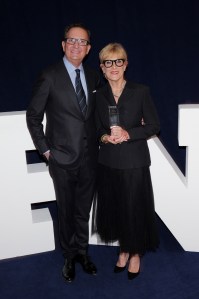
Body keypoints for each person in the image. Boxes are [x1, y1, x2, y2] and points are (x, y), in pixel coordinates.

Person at [26, 23, 101, 283]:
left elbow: (92, 117)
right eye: (72, 40)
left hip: (90, 158)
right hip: (62, 158)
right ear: (63, 45)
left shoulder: (92, 76)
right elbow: (33, 116)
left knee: (83, 210)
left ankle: (82, 252)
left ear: (89, 48)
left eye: (82, 42)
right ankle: (69, 257)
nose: (76, 45)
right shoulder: (49, 75)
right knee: (67, 210)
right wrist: (46, 150)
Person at [93, 43, 160, 280]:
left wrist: (129, 133)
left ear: (126, 64)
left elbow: (153, 125)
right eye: (108, 62)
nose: (114, 66)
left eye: (118, 61)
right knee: (117, 208)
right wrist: (104, 137)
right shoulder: (98, 96)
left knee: (135, 209)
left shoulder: (141, 91)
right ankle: (123, 249)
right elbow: (96, 128)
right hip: (108, 162)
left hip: (134, 162)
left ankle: (135, 253)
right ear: (102, 67)